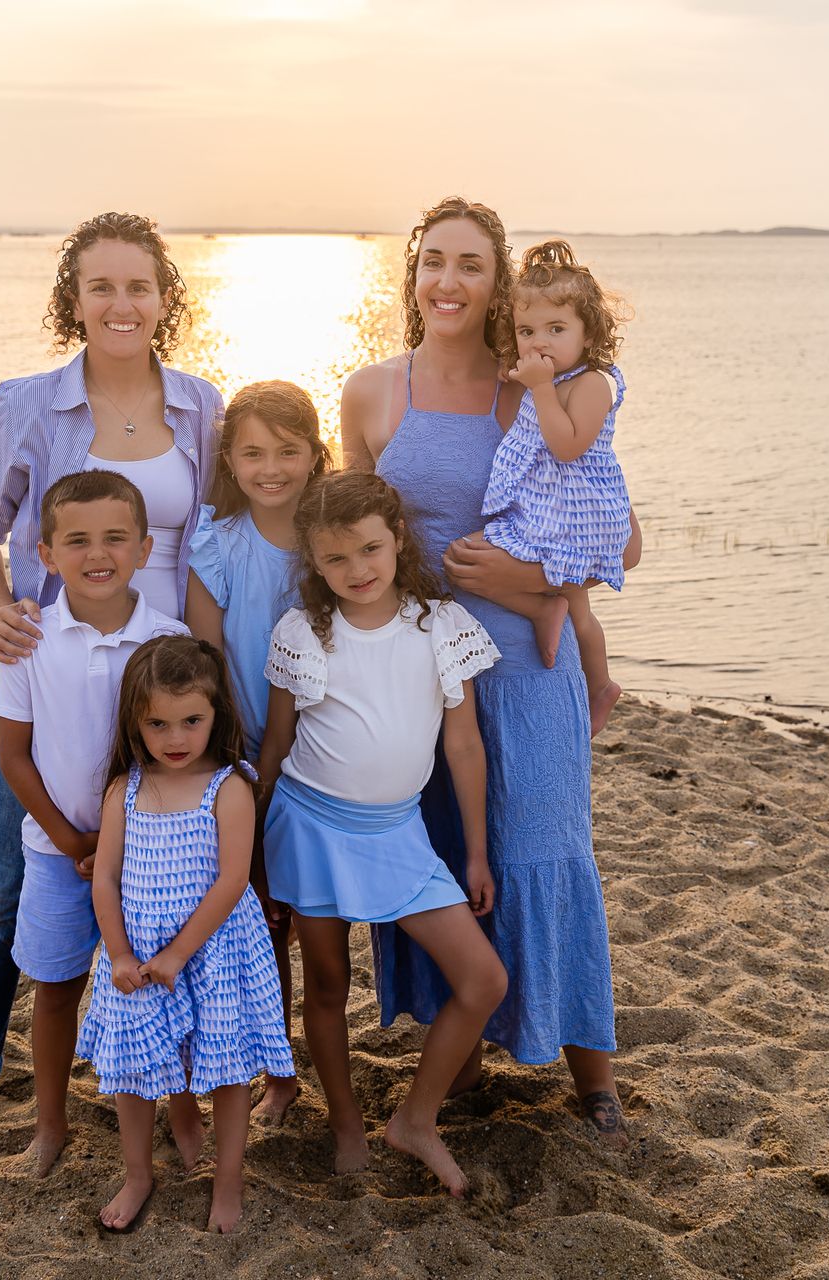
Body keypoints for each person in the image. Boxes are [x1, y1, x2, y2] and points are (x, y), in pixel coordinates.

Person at [0, 211, 219, 1142]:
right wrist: (2, 609)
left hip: (169, 673)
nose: (122, 303)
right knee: (10, 880)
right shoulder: (29, 403)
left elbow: (220, 537)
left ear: (165, 300)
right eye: (101, 286)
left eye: (139, 286)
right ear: (73, 299)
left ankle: (170, 1083)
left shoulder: (201, 403)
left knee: (171, 876)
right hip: (60, 661)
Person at [338, 196, 636, 1146]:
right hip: (417, 677)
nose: (447, 282)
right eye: (432, 262)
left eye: (470, 265)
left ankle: (590, 1073)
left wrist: (534, 583)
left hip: (527, 667)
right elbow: (347, 540)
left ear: (497, 282)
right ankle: (456, 1056)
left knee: (546, 850)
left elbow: (622, 539)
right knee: (441, 866)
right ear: (412, 274)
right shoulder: (374, 393)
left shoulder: (537, 390)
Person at [257, 472, 507, 1196]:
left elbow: (463, 747)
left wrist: (477, 852)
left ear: (397, 538)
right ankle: (343, 1123)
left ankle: (415, 1119)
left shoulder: (442, 625)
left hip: (399, 836)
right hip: (311, 827)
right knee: (328, 985)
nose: (357, 570)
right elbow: (276, 747)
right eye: (335, 559)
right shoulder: (303, 632)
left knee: (482, 978)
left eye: (370, 549)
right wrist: (254, 858)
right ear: (313, 560)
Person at [0, 470, 190, 1176]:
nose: (96, 553)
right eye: (77, 540)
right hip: (56, 849)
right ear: (46, 553)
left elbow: (178, 754)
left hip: (152, 853)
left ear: (144, 547)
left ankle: (183, 1113)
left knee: (165, 981)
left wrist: (118, 843)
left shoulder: (168, 638)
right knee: (57, 987)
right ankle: (51, 1122)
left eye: (114, 538)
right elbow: (14, 755)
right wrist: (73, 840)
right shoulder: (28, 637)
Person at [76, 635, 295, 1234]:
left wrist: (180, 952)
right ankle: (139, 1173)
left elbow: (231, 881)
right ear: (136, 723)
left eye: (191, 721)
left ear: (215, 715)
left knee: (225, 1071)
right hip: (138, 951)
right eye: (159, 724)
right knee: (137, 1069)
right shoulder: (125, 788)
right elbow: (106, 880)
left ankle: (228, 1182)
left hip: (215, 949)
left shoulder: (229, 786)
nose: (176, 739)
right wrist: (119, 951)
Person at [184, 379, 330, 1124]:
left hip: (333, 756)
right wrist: (238, 761)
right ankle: (277, 1068)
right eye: (252, 453)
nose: (270, 467)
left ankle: (319, 1048)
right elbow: (206, 659)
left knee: (318, 920)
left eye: (286, 450)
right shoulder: (217, 544)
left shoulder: (329, 542)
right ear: (230, 462)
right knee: (262, 916)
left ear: (314, 455)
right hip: (248, 755)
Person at [477, 239, 631, 736]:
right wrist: (521, 371)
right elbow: (514, 377)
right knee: (479, 558)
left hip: (581, 512)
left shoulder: (591, 384)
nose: (539, 342)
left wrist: (540, 387)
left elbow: (566, 446)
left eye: (556, 329)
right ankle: (546, 607)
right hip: (548, 509)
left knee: (575, 605)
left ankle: (602, 684)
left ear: (589, 336)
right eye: (527, 331)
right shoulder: (548, 375)